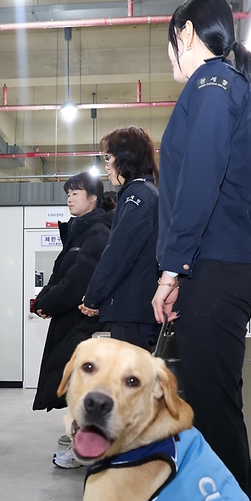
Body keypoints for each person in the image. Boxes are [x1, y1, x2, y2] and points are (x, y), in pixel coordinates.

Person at [152, 0, 251, 501]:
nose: (167, 56)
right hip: (217, 264)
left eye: (168, 43)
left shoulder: (212, 84)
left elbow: (199, 181)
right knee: (208, 399)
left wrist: (170, 270)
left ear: (186, 33)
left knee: (214, 407)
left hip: (216, 265)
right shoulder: (222, 86)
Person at [31, 172, 112, 469]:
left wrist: (48, 304)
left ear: (93, 198)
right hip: (71, 321)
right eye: (68, 193)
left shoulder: (98, 232)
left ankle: (84, 449)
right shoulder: (79, 231)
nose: (69, 198)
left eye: (75, 192)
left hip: (84, 325)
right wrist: (43, 301)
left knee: (81, 388)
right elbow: (60, 275)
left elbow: (79, 280)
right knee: (76, 386)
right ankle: (80, 439)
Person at [79, 126, 160, 351]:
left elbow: (119, 253)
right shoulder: (143, 193)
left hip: (133, 310)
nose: (106, 166)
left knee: (130, 380)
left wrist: (93, 297)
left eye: (109, 157)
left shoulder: (137, 196)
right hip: (135, 308)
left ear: (126, 158)